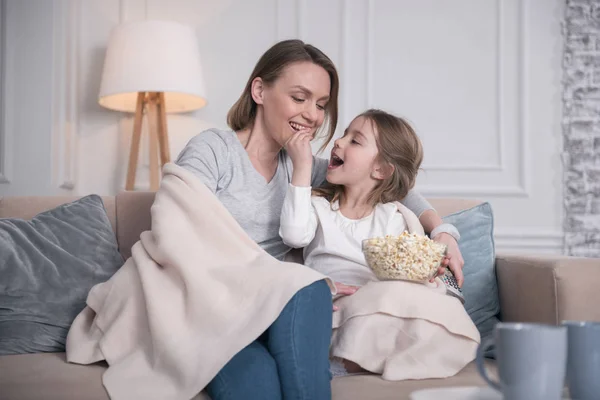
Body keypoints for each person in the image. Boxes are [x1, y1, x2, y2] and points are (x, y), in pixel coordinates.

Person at [175, 39, 463, 399]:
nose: (312, 115)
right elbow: (181, 234)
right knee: (260, 376)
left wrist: (443, 231)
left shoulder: (302, 168)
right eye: (300, 98)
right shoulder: (214, 151)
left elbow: (393, 182)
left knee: (307, 291)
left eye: (321, 104)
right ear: (260, 90)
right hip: (217, 308)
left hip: (273, 312)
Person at [279, 109, 462, 374]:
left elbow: (403, 270)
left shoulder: (392, 216)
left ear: (381, 169)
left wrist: (431, 257)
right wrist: (303, 167)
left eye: (355, 140)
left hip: (373, 306)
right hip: (331, 305)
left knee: (395, 296)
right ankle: (340, 360)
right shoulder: (317, 206)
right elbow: (294, 235)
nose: (338, 142)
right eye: (343, 135)